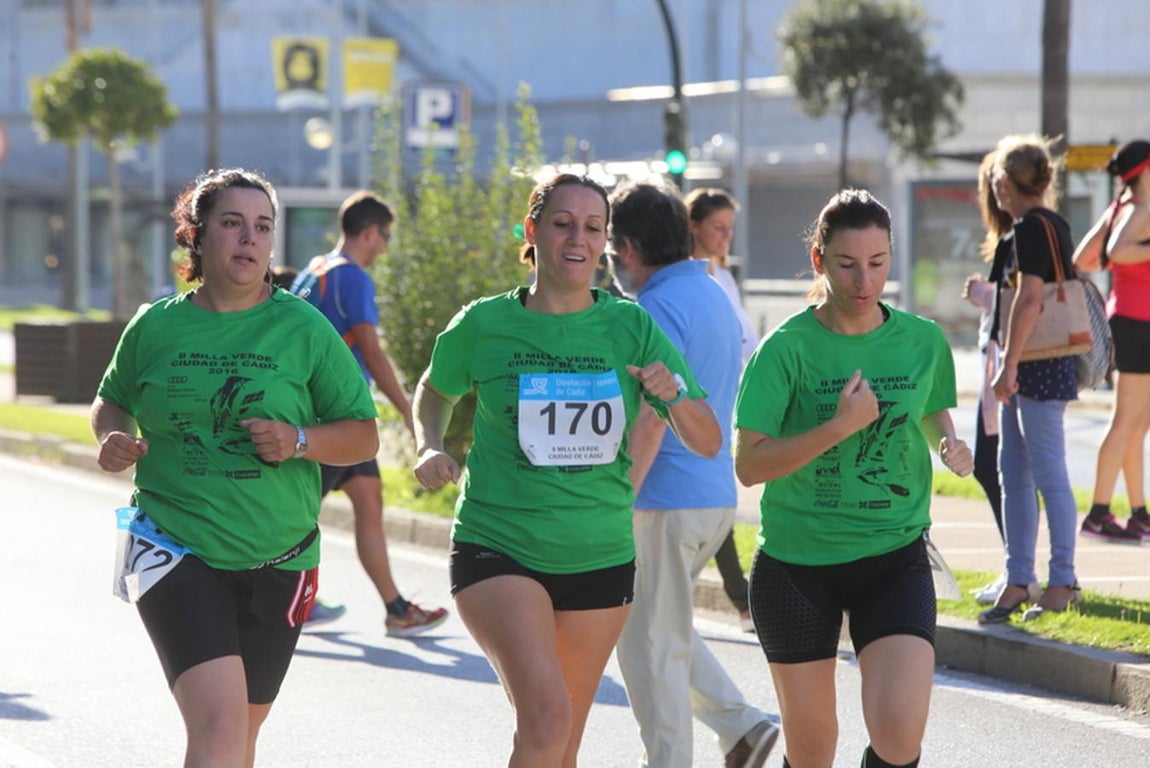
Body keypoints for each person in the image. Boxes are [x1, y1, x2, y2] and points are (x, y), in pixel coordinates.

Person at [410, 172, 721, 767]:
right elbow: (434, 388)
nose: (577, 238)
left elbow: (706, 440)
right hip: (498, 546)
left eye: (592, 227)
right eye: (561, 224)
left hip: (599, 558)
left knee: (560, 743)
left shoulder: (629, 327)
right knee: (548, 718)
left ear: (605, 240)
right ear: (532, 231)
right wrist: (430, 443)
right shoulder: (484, 323)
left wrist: (672, 392)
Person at [92, 167, 380, 767]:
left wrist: (299, 439)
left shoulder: (303, 329)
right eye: (232, 223)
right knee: (220, 729)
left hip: (280, 558)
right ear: (196, 236)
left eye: (262, 226)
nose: (249, 238)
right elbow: (112, 398)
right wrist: (114, 434)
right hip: (171, 546)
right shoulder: (156, 324)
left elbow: (363, 436)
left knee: (237, 742)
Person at [735, 189, 973, 768]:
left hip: (894, 556)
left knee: (898, 734)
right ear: (819, 261)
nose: (864, 280)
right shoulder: (786, 349)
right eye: (846, 264)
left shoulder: (922, 339)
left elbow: (932, 403)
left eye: (878, 262)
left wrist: (948, 439)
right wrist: (840, 427)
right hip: (796, 566)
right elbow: (749, 466)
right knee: (813, 750)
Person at [609, 181, 777, 768]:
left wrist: (615, 501)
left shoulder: (652, 307)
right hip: (709, 495)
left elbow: (655, 421)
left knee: (649, 650)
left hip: (661, 500)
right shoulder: (710, 292)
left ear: (627, 247)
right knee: (665, 629)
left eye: (609, 250)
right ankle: (742, 728)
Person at [291, 191, 449, 635]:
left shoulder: (314, 270)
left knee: (369, 501)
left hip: (332, 413)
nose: (386, 246)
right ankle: (283, 596)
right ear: (368, 232)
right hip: (334, 418)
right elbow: (372, 351)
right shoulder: (353, 277)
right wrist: (408, 411)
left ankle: (396, 608)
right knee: (298, 515)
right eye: (385, 236)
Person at [982, 134, 1083, 623]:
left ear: (1004, 181)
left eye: (997, 179)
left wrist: (1009, 364)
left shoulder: (1028, 227)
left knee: (1042, 475)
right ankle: (1019, 579)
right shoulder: (1052, 222)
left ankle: (1060, 579)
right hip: (1039, 363)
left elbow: (1030, 299)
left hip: (1034, 365)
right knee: (1017, 475)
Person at [684, 186, 757, 632]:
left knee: (716, 499)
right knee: (712, 499)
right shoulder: (689, 279)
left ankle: (738, 597)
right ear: (693, 226)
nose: (727, 236)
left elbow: (746, 338)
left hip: (724, 401)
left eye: (731, 228)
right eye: (718, 227)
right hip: (694, 403)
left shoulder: (724, 276)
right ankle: (741, 598)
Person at [1073, 139, 1150, 543]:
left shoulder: (1121, 207)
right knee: (1126, 422)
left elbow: (1084, 258)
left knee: (1137, 424)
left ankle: (1139, 513)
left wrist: (1117, 257)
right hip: (1136, 323)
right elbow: (1117, 250)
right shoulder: (1141, 209)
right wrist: (1127, 254)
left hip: (1133, 321)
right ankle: (1099, 514)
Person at [962, 150, 1016, 604]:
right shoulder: (1012, 239)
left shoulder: (1020, 237)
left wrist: (985, 294)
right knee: (999, 468)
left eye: (992, 186)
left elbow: (1023, 301)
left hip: (1007, 371)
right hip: (999, 367)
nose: (990, 196)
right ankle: (1017, 567)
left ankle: (1021, 570)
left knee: (1000, 468)